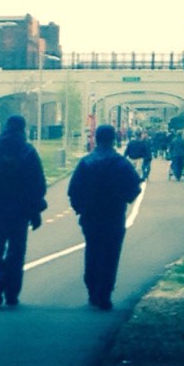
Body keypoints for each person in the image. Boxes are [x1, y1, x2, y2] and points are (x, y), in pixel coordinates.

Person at [0, 113, 48, 308]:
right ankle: (12, 292)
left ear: (5, 127)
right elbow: (38, 184)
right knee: (16, 250)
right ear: (23, 129)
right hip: (19, 211)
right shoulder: (28, 151)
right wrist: (35, 210)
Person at [67, 122, 143, 310]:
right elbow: (135, 187)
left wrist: (80, 208)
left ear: (96, 139)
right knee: (110, 254)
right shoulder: (121, 163)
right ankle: (105, 293)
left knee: (92, 250)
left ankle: (92, 289)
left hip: (91, 215)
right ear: (113, 139)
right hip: (113, 215)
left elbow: (73, 190)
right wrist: (124, 199)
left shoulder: (86, 162)